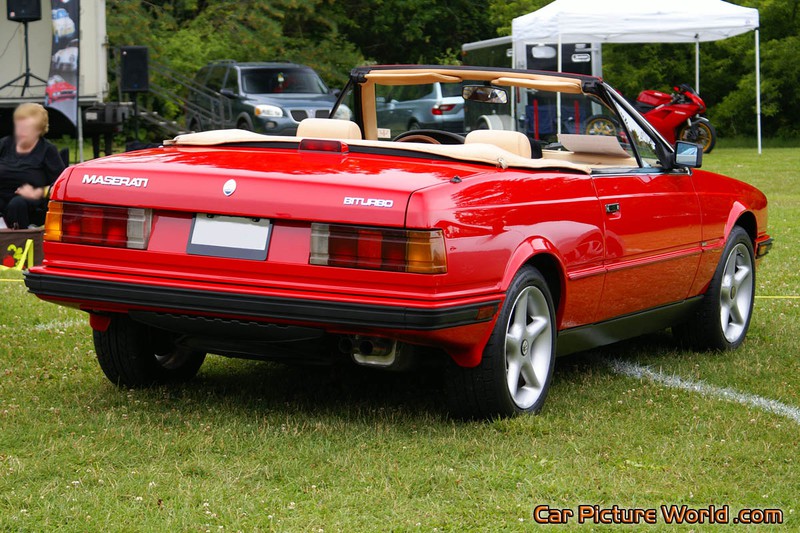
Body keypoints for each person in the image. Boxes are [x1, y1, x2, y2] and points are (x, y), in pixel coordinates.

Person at [0, 103, 66, 229]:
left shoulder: (47, 150)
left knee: (17, 204)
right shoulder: (5, 144)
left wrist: (37, 192)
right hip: (3, 195)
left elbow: (61, 185)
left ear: (39, 129)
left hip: (30, 202)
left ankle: (18, 243)